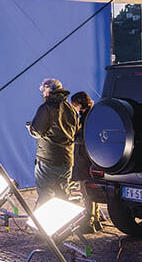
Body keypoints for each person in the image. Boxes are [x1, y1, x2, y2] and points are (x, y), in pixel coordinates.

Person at [27, 78, 78, 204]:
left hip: (48, 159)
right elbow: (76, 131)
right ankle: (63, 223)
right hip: (67, 159)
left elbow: (38, 131)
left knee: (45, 195)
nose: (43, 95)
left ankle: (42, 223)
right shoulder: (71, 109)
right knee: (63, 196)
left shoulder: (46, 108)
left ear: (49, 91)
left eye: (44, 91)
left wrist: (30, 128)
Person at [70, 91, 103, 233]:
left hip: (84, 159)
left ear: (79, 103)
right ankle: (95, 220)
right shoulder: (92, 114)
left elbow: (85, 138)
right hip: (89, 159)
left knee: (86, 191)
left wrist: (71, 137)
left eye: (74, 104)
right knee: (90, 191)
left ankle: (88, 221)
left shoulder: (86, 117)